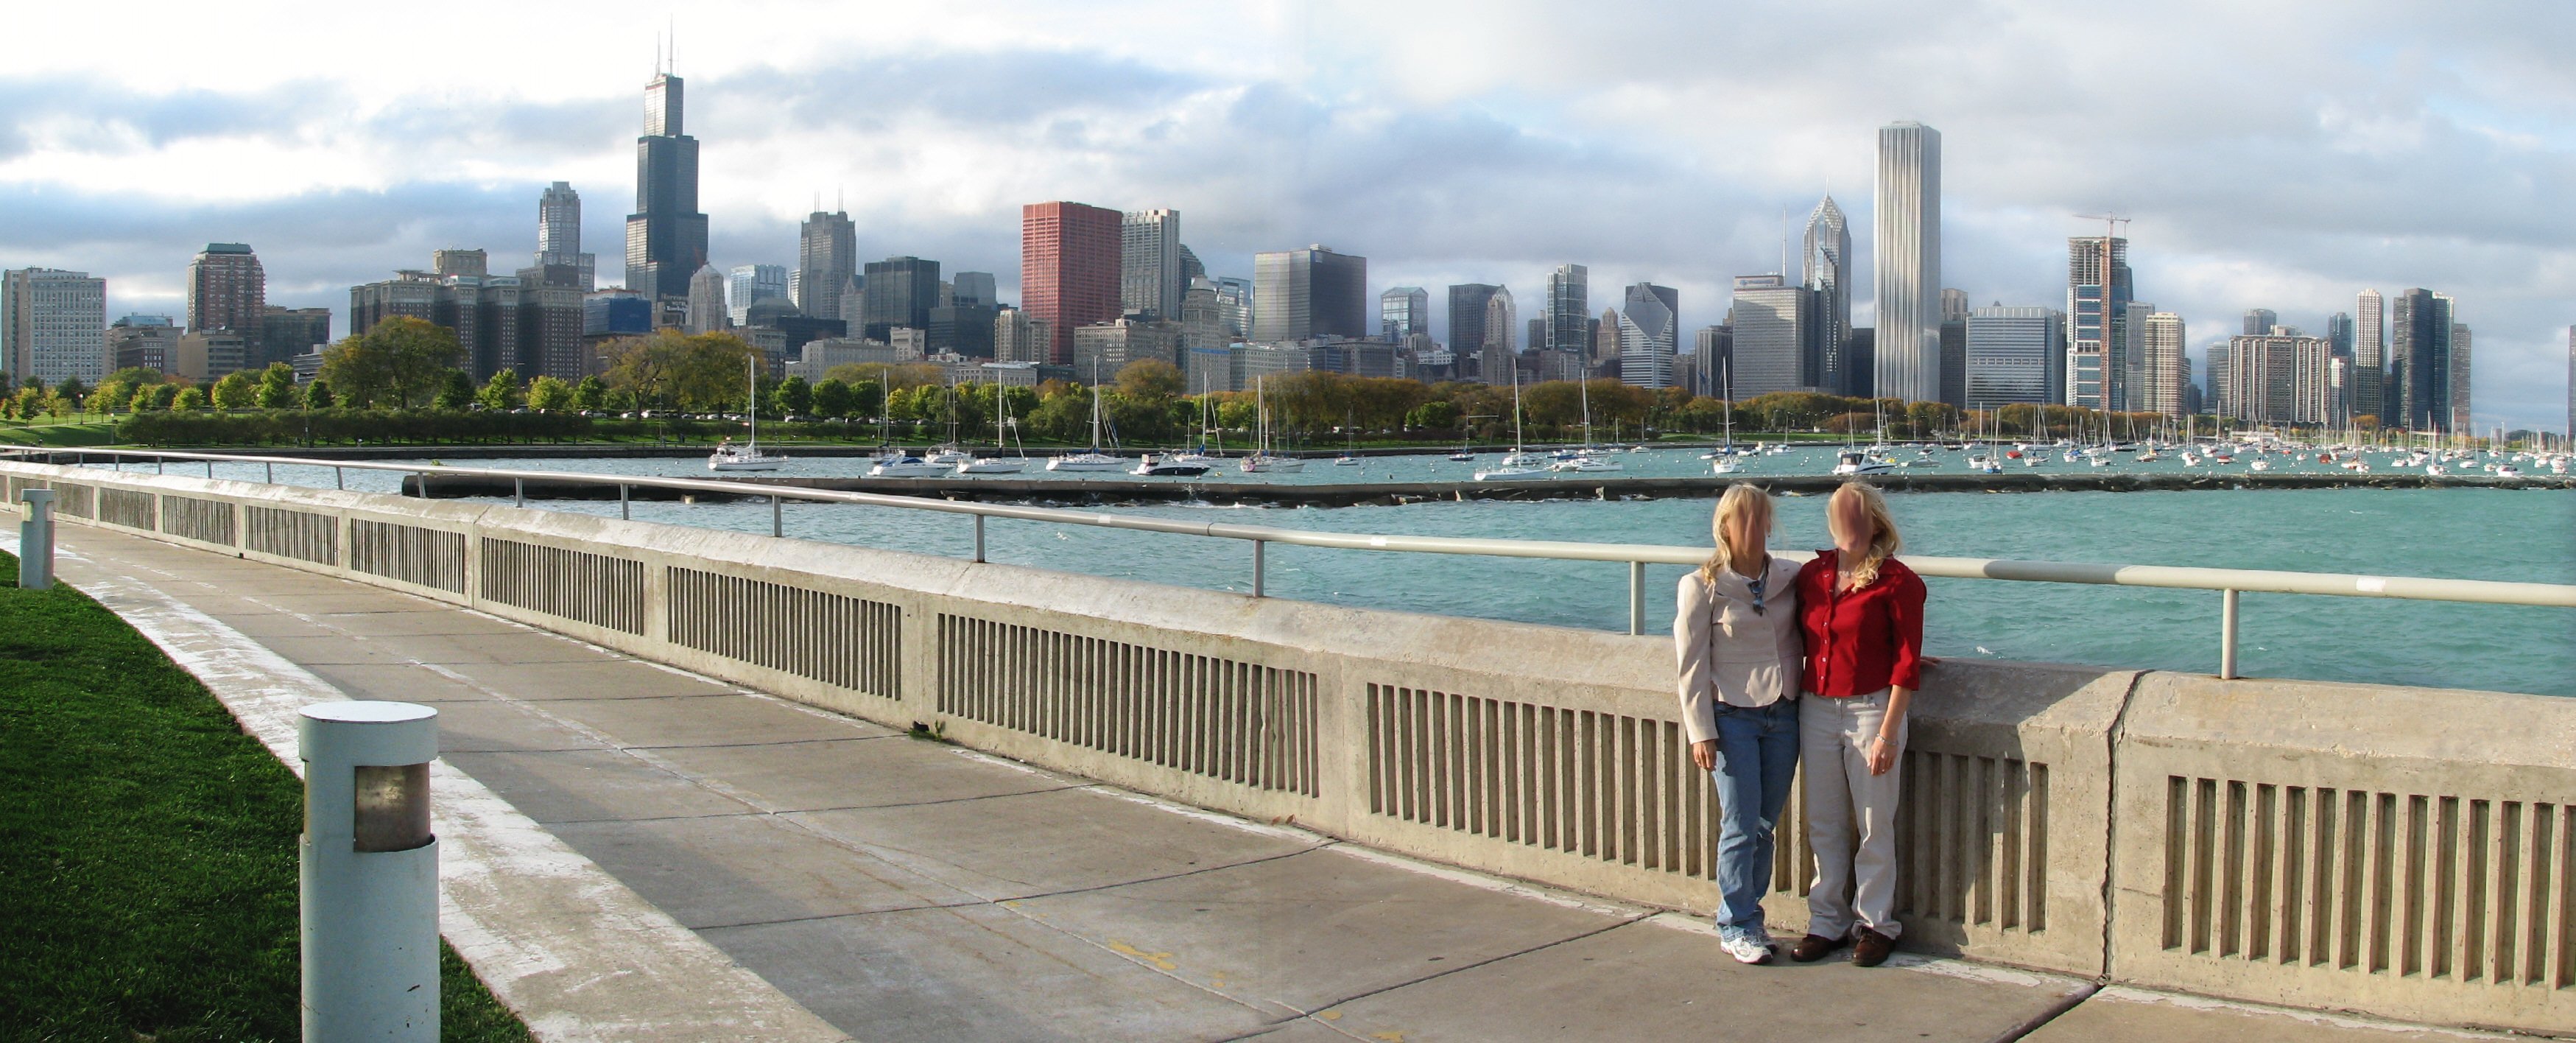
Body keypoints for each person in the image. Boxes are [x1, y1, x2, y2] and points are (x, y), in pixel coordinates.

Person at [1787, 481, 1926, 968]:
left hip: (1872, 710)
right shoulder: (1812, 575)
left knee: (1873, 824)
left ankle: (1875, 924)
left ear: (1876, 523)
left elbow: (1906, 665)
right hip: (1816, 708)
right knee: (1823, 822)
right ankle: (1825, 921)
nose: (1850, 525)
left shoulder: (1898, 581)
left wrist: (1889, 730)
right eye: (1842, 515)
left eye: (1860, 516)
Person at [1673, 483, 1805, 965]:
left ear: (1769, 523)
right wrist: (1700, 731)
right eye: (1741, 518)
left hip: (1784, 713)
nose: (1752, 527)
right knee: (1739, 824)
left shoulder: (1791, 577)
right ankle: (1735, 924)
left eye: (1759, 517)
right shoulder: (1701, 585)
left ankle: (1752, 915)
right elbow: (1690, 665)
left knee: (1766, 826)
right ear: (1724, 526)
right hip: (1731, 718)